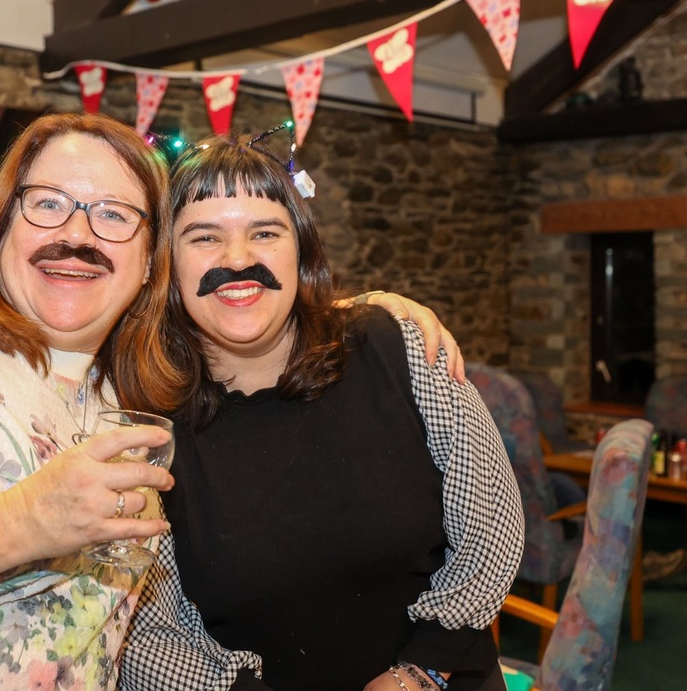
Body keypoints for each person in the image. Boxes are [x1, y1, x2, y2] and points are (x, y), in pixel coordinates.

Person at [0, 112, 459, 689]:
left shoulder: (128, 401)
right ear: (1, 226)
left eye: (113, 215)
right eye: (48, 205)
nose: (77, 234)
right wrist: (22, 520)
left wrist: (368, 314)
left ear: (149, 265)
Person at [119, 129, 525, 690]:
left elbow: (491, 531)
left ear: (301, 249)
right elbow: (154, 631)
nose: (238, 260)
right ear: (166, 265)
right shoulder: (146, 424)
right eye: (204, 237)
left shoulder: (399, 348)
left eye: (265, 232)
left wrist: (419, 672)